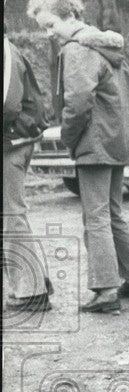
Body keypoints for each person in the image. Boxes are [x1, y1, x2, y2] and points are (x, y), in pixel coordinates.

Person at [28, 0, 129, 315]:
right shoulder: (104, 44)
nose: (49, 34)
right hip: (116, 139)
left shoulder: (77, 49)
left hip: (95, 143)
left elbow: (78, 102)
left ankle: (106, 291)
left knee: (95, 216)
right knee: (113, 213)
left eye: (51, 25)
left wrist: (69, 138)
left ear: (70, 16)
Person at [3, 29, 53, 313]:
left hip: (12, 142)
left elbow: (8, 104)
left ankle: (31, 291)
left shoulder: (5, 50)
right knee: (12, 214)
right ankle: (35, 283)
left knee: (11, 215)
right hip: (14, 140)